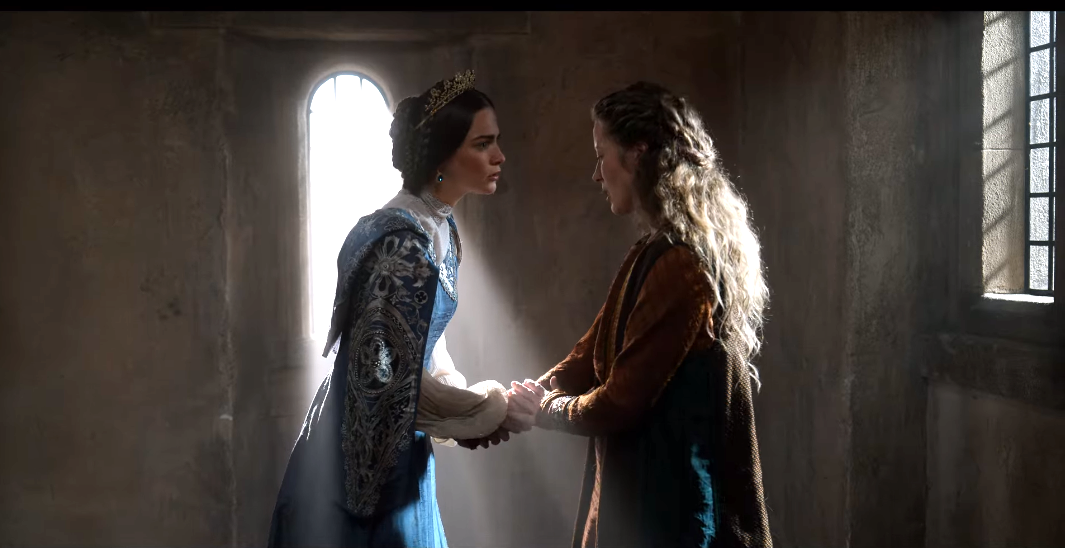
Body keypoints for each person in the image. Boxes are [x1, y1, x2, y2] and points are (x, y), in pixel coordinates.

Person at [267, 70, 532, 548]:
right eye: (483, 144)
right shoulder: (401, 243)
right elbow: (384, 376)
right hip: (359, 452)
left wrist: (468, 405)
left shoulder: (440, 228)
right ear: (442, 156)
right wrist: (483, 409)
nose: (499, 156)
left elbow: (427, 345)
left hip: (401, 442)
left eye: (496, 142)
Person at [502, 82, 774, 548]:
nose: (596, 174)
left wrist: (543, 408)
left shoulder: (682, 264)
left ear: (637, 153)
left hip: (674, 513)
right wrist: (520, 398)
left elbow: (620, 401)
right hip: (646, 501)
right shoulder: (652, 252)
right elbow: (587, 355)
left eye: (601, 155)